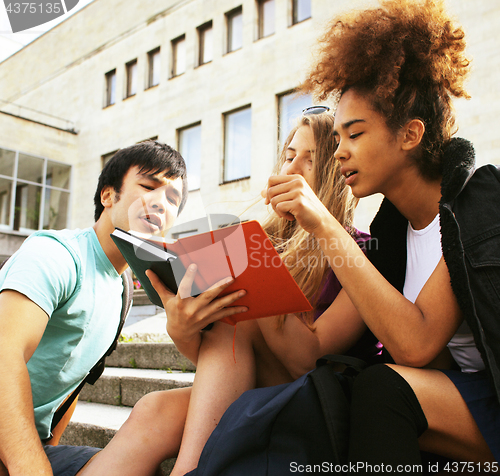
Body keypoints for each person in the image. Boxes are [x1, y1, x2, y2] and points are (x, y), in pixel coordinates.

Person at [260, 0, 499, 467]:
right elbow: (308, 351)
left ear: (410, 134)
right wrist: (253, 278)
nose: (341, 153)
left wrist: (324, 224)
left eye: (355, 135)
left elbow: (417, 344)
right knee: (356, 388)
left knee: (383, 388)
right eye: (337, 140)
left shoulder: (476, 203)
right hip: (461, 396)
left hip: (491, 394)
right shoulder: (390, 231)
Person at [79, 112, 379, 476]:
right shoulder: (262, 235)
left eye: (311, 160)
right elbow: (219, 359)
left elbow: (309, 362)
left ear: (336, 173)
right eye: (288, 156)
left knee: (238, 318)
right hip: (256, 385)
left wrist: (254, 277)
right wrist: (183, 329)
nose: (293, 168)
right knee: (153, 409)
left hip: (316, 399)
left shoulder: (358, 251)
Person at [0, 140, 243, 476]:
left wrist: (48, 453)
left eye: (173, 199)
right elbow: (3, 354)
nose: (160, 203)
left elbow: (73, 387)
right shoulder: (55, 255)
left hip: (33, 444)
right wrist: (31, 466)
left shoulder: (123, 289)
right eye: (148, 186)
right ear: (108, 196)